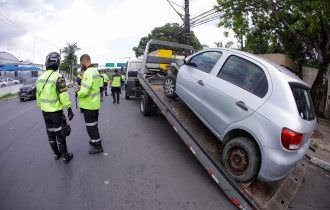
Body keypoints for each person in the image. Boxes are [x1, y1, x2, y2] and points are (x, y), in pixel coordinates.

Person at [36, 52, 74, 164]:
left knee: (50, 133)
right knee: (60, 134)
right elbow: (63, 95)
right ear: (57, 63)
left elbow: (38, 97)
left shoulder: (40, 78)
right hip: (56, 112)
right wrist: (69, 109)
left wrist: (43, 106)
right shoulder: (58, 77)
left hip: (45, 111)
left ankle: (56, 154)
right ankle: (66, 156)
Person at [75, 54, 104, 154]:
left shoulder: (87, 72)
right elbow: (97, 86)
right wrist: (82, 88)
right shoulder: (95, 71)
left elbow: (84, 91)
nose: (81, 65)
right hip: (95, 103)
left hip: (89, 105)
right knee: (94, 125)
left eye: (81, 63)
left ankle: (98, 146)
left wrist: (78, 91)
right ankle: (94, 140)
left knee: (90, 127)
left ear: (84, 61)